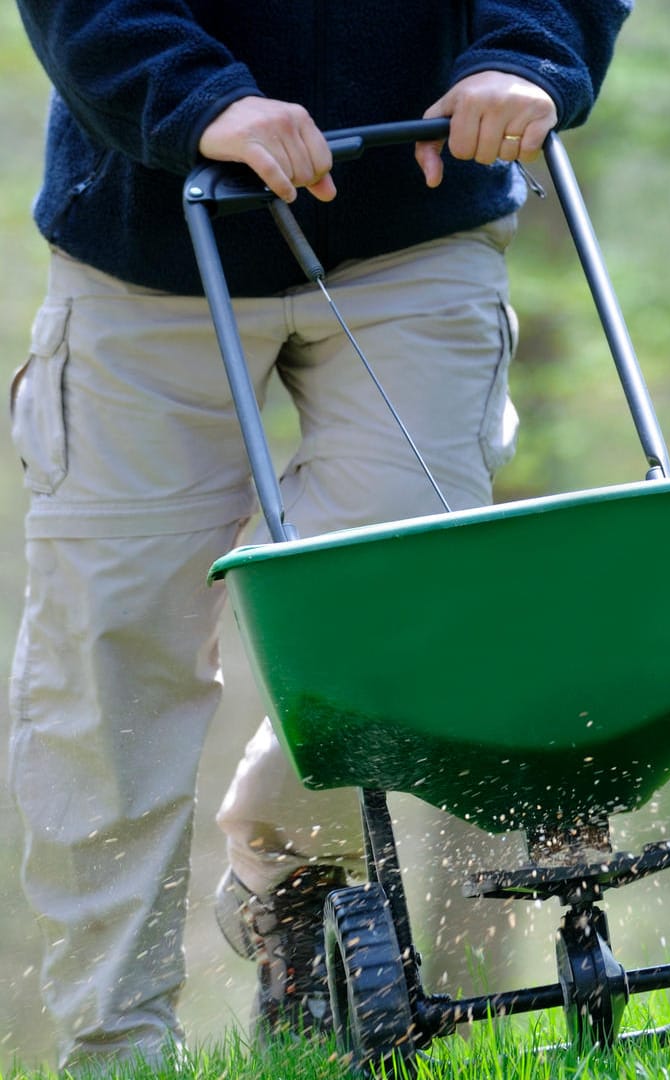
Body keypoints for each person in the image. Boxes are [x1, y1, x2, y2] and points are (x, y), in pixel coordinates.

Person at [8, 2, 631, 1069]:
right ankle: (115, 1043)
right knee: (109, 649)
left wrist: (528, 53)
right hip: (148, 239)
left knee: (400, 619)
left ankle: (292, 884)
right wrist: (203, 100)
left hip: (412, 226)